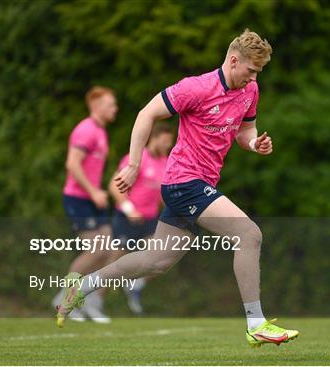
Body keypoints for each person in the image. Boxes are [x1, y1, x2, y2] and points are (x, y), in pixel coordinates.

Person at [56, 29, 299, 348]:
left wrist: (254, 143)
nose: (253, 78)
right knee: (249, 234)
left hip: (199, 185)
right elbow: (147, 114)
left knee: (155, 262)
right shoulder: (196, 87)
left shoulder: (249, 91)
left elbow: (245, 132)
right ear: (233, 60)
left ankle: (83, 286)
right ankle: (256, 323)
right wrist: (133, 164)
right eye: (250, 70)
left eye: (258, 73)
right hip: (184, 181)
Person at [54, 86, 118, 323]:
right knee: (96, 250)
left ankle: (89, 300)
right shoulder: (86, 129)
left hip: (94, 199)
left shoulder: (101, 132)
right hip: (80, 198)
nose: (115, 108)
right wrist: (93, 192)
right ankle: (64, 298)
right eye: (111, 104)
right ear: (96, 106)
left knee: (110, 251)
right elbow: (72, 164)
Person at [108, 122, 174, 314]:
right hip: (127, 218)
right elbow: (114, 185)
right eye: (166, 141)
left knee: (162, 255)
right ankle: (90, 297)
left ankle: (136, 284)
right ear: (155, 137)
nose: (168, 145)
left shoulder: (165, 162)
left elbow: (163, 195)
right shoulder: (137, 157)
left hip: (149, 221)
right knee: (113, 265)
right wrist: (129, 209)